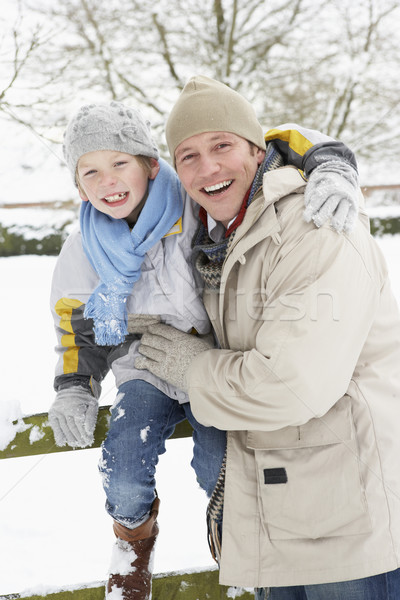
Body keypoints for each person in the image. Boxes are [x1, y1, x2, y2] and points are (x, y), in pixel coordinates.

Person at [136, 76, 400, 599]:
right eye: (187, 155)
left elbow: (292, 384)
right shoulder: (216, 237)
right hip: (281, 514)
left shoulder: (315, 224)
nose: (207, 167)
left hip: (350, 518)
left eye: (222, 145)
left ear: (258, 152)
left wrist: (192, 368)